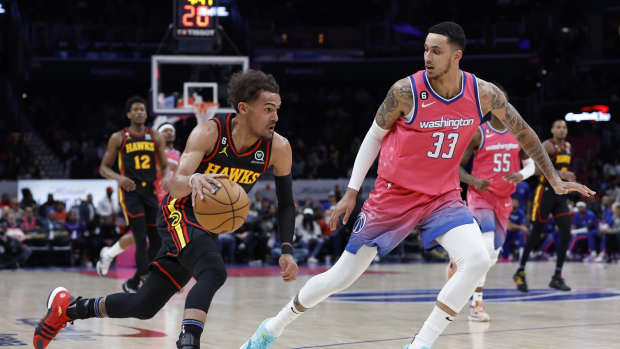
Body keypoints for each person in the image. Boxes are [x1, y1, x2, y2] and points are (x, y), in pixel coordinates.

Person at [240, 22, 594, 349]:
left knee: (477, 259)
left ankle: (419, 345)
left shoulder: (483, 94)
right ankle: (271, 329)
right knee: (340, 277)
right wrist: (351, 190)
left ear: (457, 56)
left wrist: (554, 180)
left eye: (436, 51)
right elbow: (373, 137)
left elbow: (526, 134)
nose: (427, 56)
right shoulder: (405, 92)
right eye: (425, 49)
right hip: (392, 196)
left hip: (442, 196)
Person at [34, 70, 299, 349]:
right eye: (268, 109)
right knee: (214, 272)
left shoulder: (278, 148)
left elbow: (284, 203)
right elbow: (175, 185)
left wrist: (287, 250)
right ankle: (188, 342)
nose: (276, 117)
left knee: (144, 304)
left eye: (277, 110)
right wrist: (193, 179)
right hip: (178, 213)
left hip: (206, 227)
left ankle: (69, 309)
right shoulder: (210, 132)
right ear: (244, 108)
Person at [449, 107, 535, 321]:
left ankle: (460, 260)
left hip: (503, 200)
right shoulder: (479, 133)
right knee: (486, 247)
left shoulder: (517, 133)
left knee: (493, 254)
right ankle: (476, 304)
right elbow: (457, 168)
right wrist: (474, 181)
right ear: (492, 107)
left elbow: (531, 164)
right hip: (480, 196)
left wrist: (521, 174)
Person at [95, 96, 169, 293]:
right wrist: (120, 179)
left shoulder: (155, 136)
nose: (139, 112)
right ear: (128, 114)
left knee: (156, 239)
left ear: (146, 113)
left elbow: (164, 166)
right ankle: (145, 280)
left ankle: (135, 280)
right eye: (135, 109)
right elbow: (103, 168)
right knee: (140, 234)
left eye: (142, 109)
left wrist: (166, 178)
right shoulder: (119, 137)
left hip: (150, 191)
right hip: (131, 192)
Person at [514, 119, 577, 292]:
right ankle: (519, 271)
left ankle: (557, 276)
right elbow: (534, 169)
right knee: (535, 235)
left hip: (560, 195)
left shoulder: (568, 146)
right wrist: (560, 173)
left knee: (566, 233)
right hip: (545, 193)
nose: (562, 130)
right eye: (558, 127)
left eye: (564, 127)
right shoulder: (547, 146)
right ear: (552, 129)